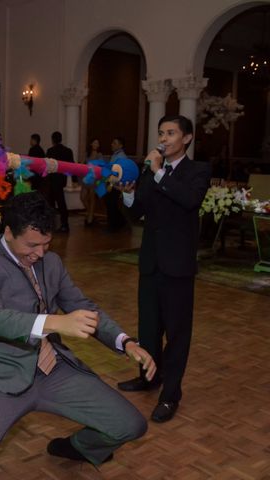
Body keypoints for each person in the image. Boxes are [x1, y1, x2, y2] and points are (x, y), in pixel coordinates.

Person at [0, 191, 156, 479]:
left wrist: (126, 341)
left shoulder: (52, 262)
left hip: (54, 369)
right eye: (32, 244)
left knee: (131, 424)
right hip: (3, 375)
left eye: (47, 244)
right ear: (9, 232)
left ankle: (77, 447)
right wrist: (56, 323)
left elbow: (83, 306)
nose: (41, 253)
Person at [117, 115, 211, 423]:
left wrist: (157, 172)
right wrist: (129, 192)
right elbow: (137, 212)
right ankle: (148, 378)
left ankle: (170, 395)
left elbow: (189, 200)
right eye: (161, 132)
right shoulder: (150, 172)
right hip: (151, 264)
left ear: (187, 138)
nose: (164, 138)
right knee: (148, 329)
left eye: (171, 133)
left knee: (177, 334)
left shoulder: (197, 171)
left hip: (178, 267)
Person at [45, 131, 73, 233]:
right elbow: (71, 167)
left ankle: (52, 224)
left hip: (52, 179)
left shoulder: (50, 151)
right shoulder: (68, 151)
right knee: (61, 203)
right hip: (61, 180)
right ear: (61, 139)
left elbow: (46, 166)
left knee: (51, 203)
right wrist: (72, 180)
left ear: (52, 140)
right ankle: (65, 224)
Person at [105, 137, 128, 231]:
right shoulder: (115, 155)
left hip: (116, 184)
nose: (112, 144)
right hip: (113, 183)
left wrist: (111, 184)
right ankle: (119, 222)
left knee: (112, 204)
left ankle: (115, 226)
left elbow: (117, 172)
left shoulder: (121, 156)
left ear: (120, 145)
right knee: (111, 204)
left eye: (114, 143)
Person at [80, 138, 103, 226]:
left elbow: (100, 167)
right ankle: (90, 213)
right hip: (86, 178)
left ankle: (90, 219)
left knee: (92, 199)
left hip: (94, 179)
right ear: (91, 144)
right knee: (83, 197)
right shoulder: (87, 153)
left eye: (97, 143)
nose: (96, 144)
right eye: (94, 143)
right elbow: (82, 164)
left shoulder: (99, 155)